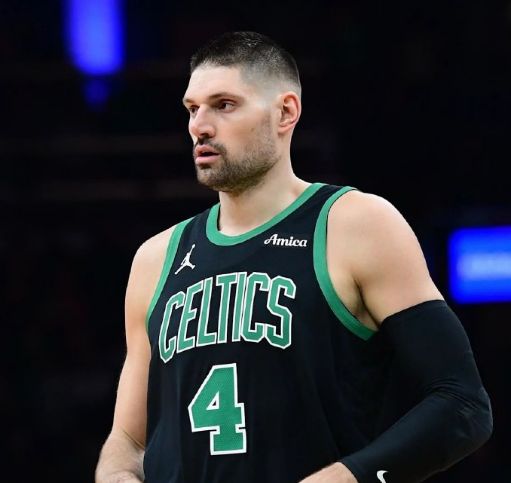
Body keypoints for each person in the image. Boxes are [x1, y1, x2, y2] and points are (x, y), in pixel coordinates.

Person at [95, 31, 493, 483]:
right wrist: (117, 475)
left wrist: (343, 478)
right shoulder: (156, 258)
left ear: (285, 112)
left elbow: (462, 403)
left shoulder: (356, 224)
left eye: (224, 105)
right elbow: (128, 443)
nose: (199, 126)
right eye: (192, 108)